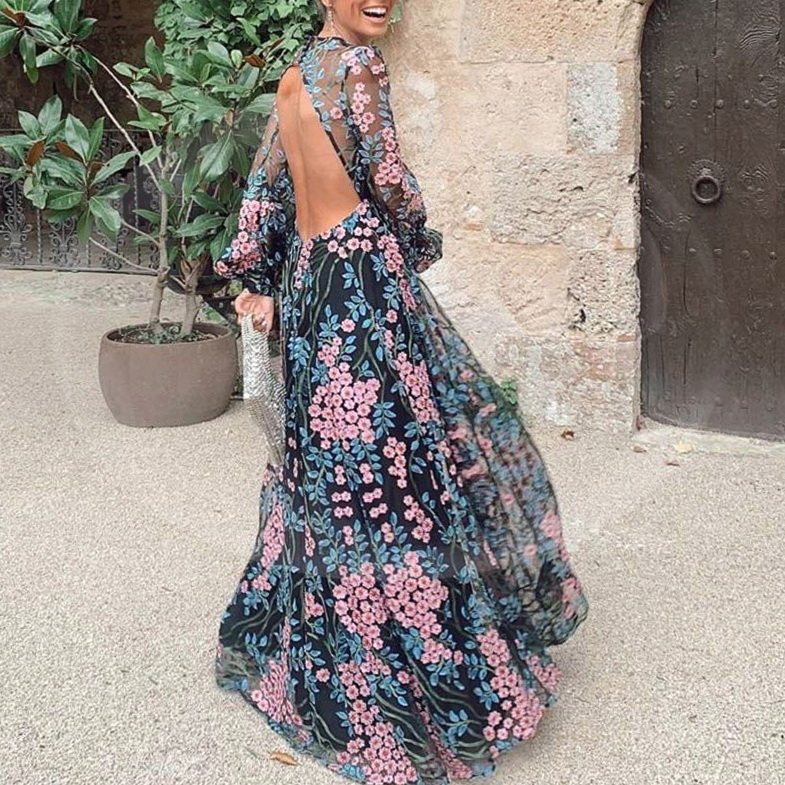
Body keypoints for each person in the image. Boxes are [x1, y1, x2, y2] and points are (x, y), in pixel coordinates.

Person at [212, 2, 589, 783]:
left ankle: (327, 662)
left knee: (328, 465)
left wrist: (258, 276)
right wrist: (411, 237)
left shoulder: (291, 79)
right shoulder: (358, 67)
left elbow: (264, 191)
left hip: (310, 282)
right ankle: (411, 680)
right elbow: (386, 176)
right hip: (359, 281)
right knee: (402, 466)